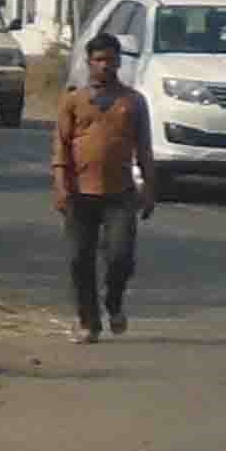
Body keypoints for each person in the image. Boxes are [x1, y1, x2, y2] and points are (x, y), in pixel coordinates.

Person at [52, 30, 145, 338]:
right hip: (80, 194)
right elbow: (61, 148)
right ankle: (88, 322)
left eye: (111, 60)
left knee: (120, 257)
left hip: (120, 194)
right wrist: (61, 186)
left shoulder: (133, 101)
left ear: (119, 62)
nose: (105, 65)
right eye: (99, 60)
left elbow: (144, 149)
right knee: (80, 260)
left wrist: (151, 189)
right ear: (89, 62)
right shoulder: (73, 100)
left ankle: (114, 302)